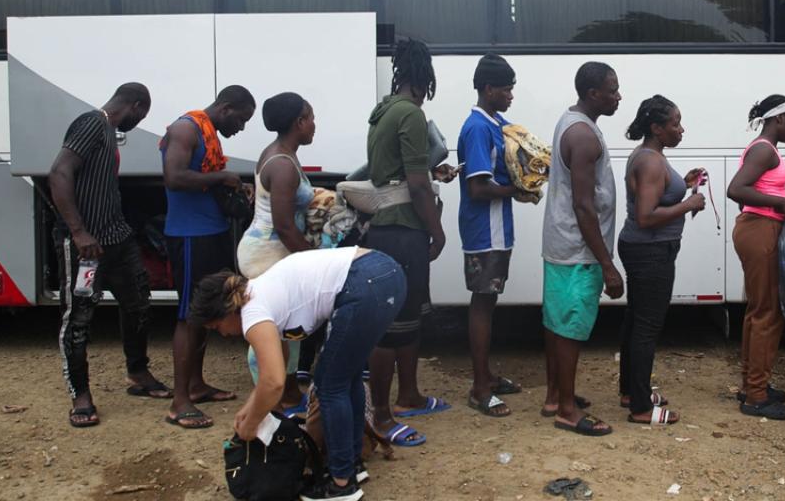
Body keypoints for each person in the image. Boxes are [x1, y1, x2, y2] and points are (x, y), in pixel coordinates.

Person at [191, 247, 405, 501]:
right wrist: (251, 406)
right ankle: (351, 466)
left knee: (329, 385)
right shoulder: (261, 293)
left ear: (226, 310)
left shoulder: (252, 314)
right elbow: (277, 366)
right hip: (384, 272)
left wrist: (251, 423)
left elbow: (273, 382)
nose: (224, 334)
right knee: (347, 377)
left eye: (217, 327)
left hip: (365, 282)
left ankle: (341, 485)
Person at [49, 83, 165, 428]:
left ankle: (138, 372)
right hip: (86, 246)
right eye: (142, 115)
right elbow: (59, 172)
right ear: (136, 105)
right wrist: (78, 231)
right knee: (78, 318)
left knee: (138, 303)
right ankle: (80, 395)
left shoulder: (109, 131)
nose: (139, 122)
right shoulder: (91, 123)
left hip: (117, 238)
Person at [362, 39, 451, 447]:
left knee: (409, 316)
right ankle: (382, 415)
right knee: (390, 327)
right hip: (403, 231)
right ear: (424, 77)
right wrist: (437, 230)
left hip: (384, 227)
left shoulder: (383, 112)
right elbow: (416, 185)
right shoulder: (410, 114)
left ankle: (410, 395)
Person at [160, 85, 256, 429]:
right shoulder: (185, 128)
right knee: (189, 316)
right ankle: (179, 402)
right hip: (190, 235)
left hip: (210, 232)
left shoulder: (208, 133)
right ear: (226, 108)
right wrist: (223, 177)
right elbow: (173, 177)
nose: (240, 128)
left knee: (206, 312)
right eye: (241, 120)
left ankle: (196, 386)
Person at [542, 61, 624, 436]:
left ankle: (555, 396)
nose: (618, 96)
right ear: (593, 94)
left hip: (561, 244)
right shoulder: (584, 137)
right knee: (571, 328)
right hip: (578, 250)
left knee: (556, 322)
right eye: (612, 90)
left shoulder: (571, 121)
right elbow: (584, 206)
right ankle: (567, 411)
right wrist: (607, 264)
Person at [617, 96, 705, 427]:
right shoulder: (651, 162)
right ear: (656, 128)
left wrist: (684, 184)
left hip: (644, 249)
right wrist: (689, 204)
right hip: (650, 251)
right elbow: (646, 216)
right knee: (646, 327)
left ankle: (631, 391)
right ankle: (641, 407)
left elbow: (658, 194)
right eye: (675, 124)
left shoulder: (648, 155)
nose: (681, 130)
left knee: (636, 321)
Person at [458, 54, 534, 418]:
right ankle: (479, 388)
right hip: (484, 231)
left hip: (497, 229)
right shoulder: (477, 128)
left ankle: (486, 376)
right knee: (482, 303)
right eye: (506, 89)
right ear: (488, 89)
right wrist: (517, 190)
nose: (510, 96)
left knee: (489, 302)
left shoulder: (498, 124)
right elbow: (477, 188)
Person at [236, 92, 319, 413]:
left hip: (274, 251)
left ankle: (288, 393)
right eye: (311, 118)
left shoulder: (283, 154)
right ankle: (268, 400)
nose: (314, 124)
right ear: (299, 122)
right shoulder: (283, 165)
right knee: (270, 327)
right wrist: (313, 259)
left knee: (288, 328)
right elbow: (284, 226)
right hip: (268, 254)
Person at [726, 94, 785, 420]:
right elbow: (736, 189)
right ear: (779, 118)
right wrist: (781, 204)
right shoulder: (764, 150)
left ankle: (752, 385)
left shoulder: (765, 149)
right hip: (760, 231)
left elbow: (753, 190)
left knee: (758, 311)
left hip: (758, 229)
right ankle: (756, 395)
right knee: (767, 314)